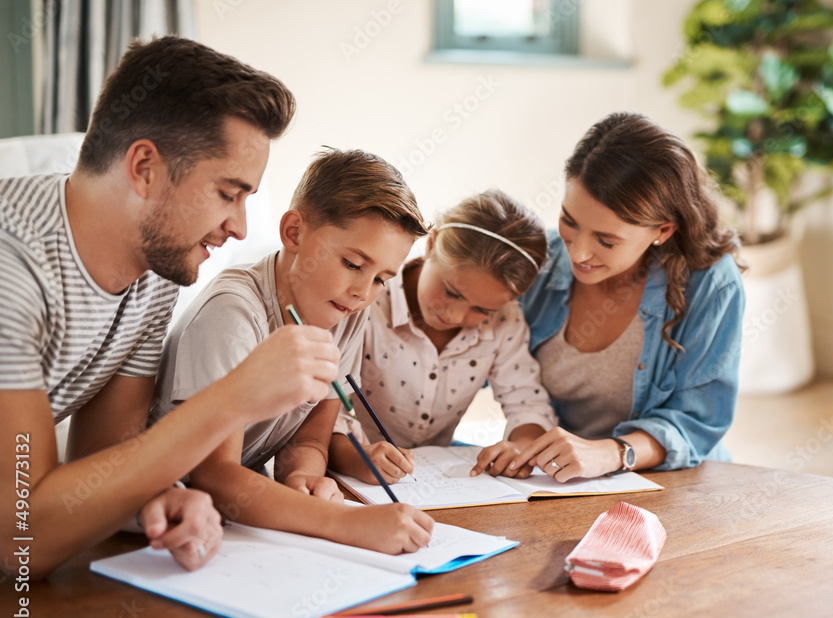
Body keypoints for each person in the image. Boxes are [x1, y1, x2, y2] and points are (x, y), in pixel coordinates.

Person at [0, 36, 343, 579]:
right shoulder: (10, 262)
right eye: (228, 193)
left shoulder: (153, 270)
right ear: (144, 167)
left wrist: (158, 500)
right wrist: (233, 398)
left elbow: (99, 464)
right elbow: (21, 540)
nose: (240, 227)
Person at [151, 148, 434, 553]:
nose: (362, 292)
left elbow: (311, 438)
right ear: (294, 233)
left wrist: (304, 476)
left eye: (381, 279)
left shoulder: (347, 312)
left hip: (233, 520)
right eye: (353, 264)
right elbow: (215, 475)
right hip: (162, 515)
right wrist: (346, 523)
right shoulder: (233, 313)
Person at [472, 112, 745, 481]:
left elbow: (698, 421)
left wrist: (613, 453)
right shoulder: (541, 263)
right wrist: (527, 441)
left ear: (662, 231)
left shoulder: (711, 283)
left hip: (676, 479)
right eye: (569, 220)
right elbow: (476, 360)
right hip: (563, 483)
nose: (579, 253)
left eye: (606, 240)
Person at [332, 190, 556, 484]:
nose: (454, 316)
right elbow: (320, 412)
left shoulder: (505, 320)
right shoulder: (366, 301)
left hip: (433, 481)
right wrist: (356, 457)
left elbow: (527, 402)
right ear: (432, 243)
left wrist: (521, 446)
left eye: (482, 309)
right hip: (348, 475)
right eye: (452, 292)